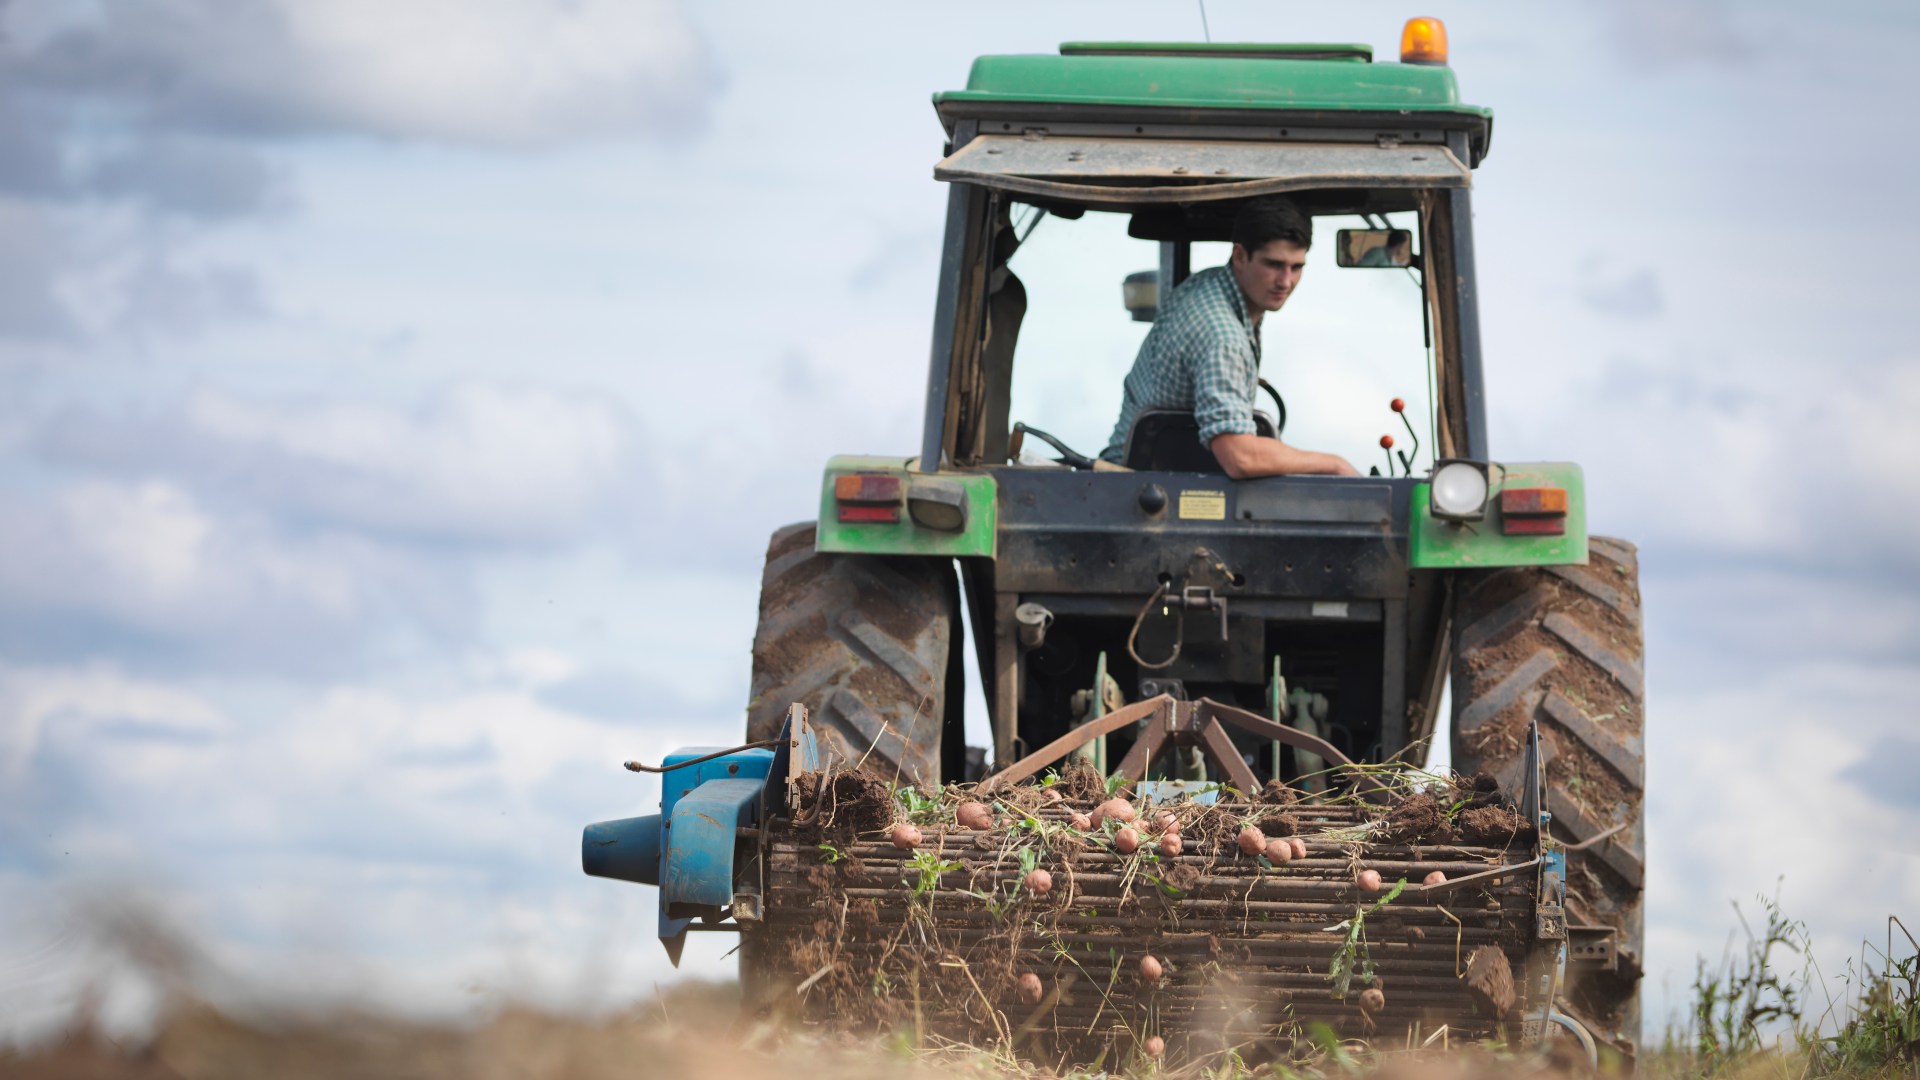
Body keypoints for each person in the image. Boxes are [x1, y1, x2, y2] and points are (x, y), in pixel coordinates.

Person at [1099, 197, 1358, 478]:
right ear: (1239, 256)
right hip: (1135, 488)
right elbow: (1239, 457)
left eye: (1296, 267)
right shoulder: (1222, 336)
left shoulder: (1209, 286)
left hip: (1157, 482)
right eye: (1273, 264)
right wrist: (1336, 465)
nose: (1286, 281)